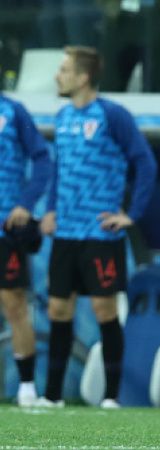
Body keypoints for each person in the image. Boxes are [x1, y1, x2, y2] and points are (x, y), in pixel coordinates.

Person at [37, 46, 157, 408]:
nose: (58, 76)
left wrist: (131, 214)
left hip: (101, 233)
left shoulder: (112, 115)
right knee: (58, 310)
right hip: (66, 234)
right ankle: (52, 397)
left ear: (83, 76)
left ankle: (110, 396)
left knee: (105, 311)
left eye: (64, 69)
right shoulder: (61, 117)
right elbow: (60, 169)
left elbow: (145, 162)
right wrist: (52, 210)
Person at [0, 93, 51, 406]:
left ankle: (28, 389)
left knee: (14, 304)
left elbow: (42, 158)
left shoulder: (13, 111)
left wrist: (26, 203)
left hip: (6, 227)